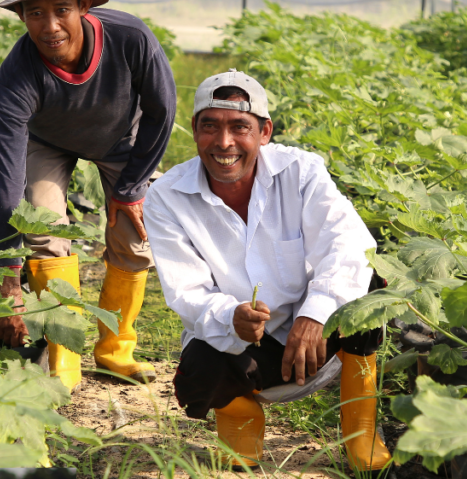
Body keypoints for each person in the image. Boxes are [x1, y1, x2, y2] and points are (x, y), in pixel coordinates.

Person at [142, 70, 391, 471]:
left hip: (321, 337)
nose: (224, 143)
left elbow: (349, 244)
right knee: (198, 371)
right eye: (210, 127)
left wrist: (316, 312)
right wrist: (231, 316)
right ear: (194, 130)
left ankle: (361, 432)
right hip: (250, 344)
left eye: (240, 127)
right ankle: (242, 428)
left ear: (265, 132)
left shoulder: (302, 172)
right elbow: (186, 290)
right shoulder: (167, 197)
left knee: (367, 284)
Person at [0, 0, 177, 391]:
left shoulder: (131, 38)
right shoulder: (16, 79)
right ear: (20, 16)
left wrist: (130, 190)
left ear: (84, 7)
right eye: (35, 13)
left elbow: (162, 112)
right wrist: (9, 271)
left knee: (136, 232)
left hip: (119, 137)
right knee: (43, 229)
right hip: (45, 141)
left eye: (61, 10)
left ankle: (115, 351)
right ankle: (63, 356)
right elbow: (6, 179)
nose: (50, 26)